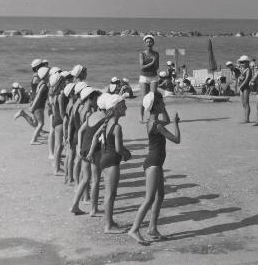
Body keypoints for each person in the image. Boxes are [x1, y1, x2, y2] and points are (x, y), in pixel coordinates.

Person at [128, 92, 181, 243]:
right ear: (155, 105)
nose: (164, 103)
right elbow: (176, 139)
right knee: (149, 199)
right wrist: (177, 124)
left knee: (160, 195)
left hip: (156, 163)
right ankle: (134, 229)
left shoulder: (152, 121)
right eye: (161, 101)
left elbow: (167, 120)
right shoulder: (157, 125)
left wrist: (162, 108)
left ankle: (152, 228)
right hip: (153, 164)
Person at [89, 94, 131, 233]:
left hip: (104, 158)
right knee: (110, 194)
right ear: (117, 108)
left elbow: (98, 139)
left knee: (109, 193)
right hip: (112, 160)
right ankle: (108, 226)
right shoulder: (116, 126)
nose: (125, 107)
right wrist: (126, 154)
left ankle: (110, 221)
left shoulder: (107, 123)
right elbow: (118, 148)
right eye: (123, 105)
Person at [71, 87, 104, 216]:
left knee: (85, 179)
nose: (96, 101)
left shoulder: (91, 115)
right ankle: (94, 209)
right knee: (95, 180)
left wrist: (79, 147)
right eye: (96, 98)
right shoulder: (103, 117)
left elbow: (80, 131)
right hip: (93, 149)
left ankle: (74, 205)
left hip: (83, 146)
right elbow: (97, 137)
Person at [14, 66, 50, 143]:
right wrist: (33, 106)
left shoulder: (41, 83)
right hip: (38, 106)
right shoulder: (43, 85)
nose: (50, 75)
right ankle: (33, 140)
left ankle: (23, 113)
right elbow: (38, 96)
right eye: (48, 74)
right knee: (40, 124)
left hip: (37, 105)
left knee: (35, 123)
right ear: (45, 75)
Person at [139, 34, 160, 123]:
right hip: (144, 77)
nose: (149, 43)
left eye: (150, 41)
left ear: (153, 43)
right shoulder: (142, 54)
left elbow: (157, 67)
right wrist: (152, 62)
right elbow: (142, 67)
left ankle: (152, 117)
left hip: (154, 77)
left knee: (153, 98)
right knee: (144, 98)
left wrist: (154, 64)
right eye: (147, 42)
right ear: (145, 43)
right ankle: (141, 117)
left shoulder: (156, 54)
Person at [237, 55, 252, 123]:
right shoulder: (243, 69)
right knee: (243, 103)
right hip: (242, 87)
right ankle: (245, 117)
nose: (242, 64)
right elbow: (240, 78)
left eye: (243, 62)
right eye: (241, 62)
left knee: (246, 103)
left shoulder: (248, 69)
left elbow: (247, 79)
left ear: (247, 62)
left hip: (245, 87)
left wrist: (241, 86)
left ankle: (247, 119)